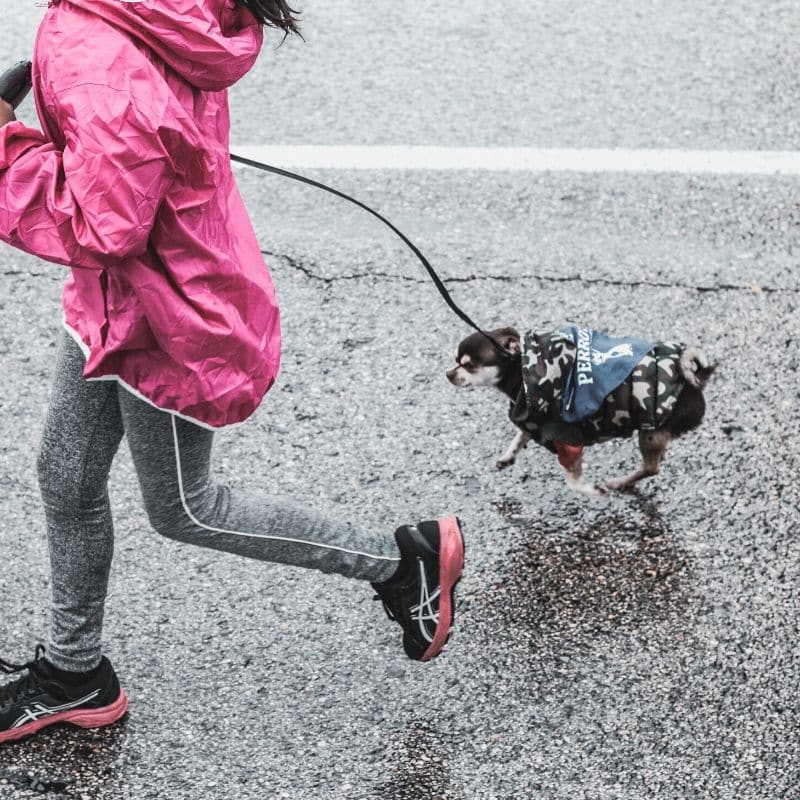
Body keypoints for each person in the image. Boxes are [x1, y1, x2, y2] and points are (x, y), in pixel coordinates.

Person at [0, 0, 464, 744]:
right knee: (66, 475)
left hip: (171, 319)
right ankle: (73, 673)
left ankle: (400, 561)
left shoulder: (99, 49)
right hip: (125, 295)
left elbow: (102, 224)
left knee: (187, 508)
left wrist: (6, 150)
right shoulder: (147, 13)